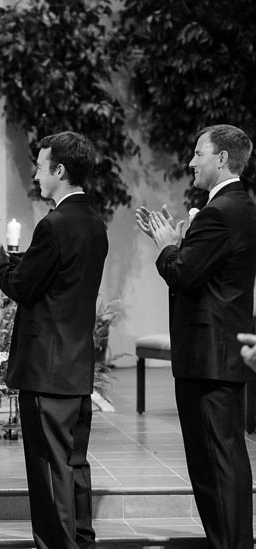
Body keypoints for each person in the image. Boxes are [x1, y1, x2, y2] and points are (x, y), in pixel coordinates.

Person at [0, 132, 107, 549]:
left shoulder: (55, 224)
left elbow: (25, 287)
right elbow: (55, 280)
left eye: (41, 165)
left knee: (50, 472)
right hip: (76, 364)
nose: (35, 172)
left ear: (59, 171)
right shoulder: (93, 222)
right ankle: (81, 541)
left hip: (47, 370)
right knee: (74, 466)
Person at [135, 124, 256, 548]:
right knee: (221, 459)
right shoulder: (239, 205)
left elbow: (183, 273)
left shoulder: (221, 211)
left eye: (197, 154)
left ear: (221, 158)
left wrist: (168, 246)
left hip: (209, 356)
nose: (190, 162)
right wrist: (185, 241)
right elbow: (209, 272)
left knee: (215, 464)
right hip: (221, 352)